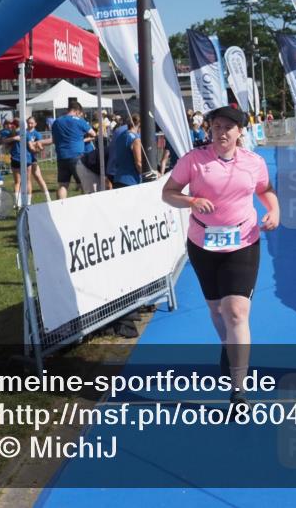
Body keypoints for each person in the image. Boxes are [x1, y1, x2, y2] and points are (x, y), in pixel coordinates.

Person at [162, 106, 280, 405]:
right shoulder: (194, 160)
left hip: (243, 242)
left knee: (237, 312)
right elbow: (168, 192)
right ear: (209, 130)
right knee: (217, 312)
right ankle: (228, 345)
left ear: (240, 131)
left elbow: (265, 189)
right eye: (216, 126)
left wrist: (274, 210)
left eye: (229, 127)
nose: (222, 132)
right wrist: (191, 199)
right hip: (202, 244)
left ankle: (238, 388)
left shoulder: (253, 162)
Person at [50, 101, 96, 200]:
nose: (80, 116)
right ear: (77, 111)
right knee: (85, 184)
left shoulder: (56, 122)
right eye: (80, 114)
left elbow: (54, 139)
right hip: (77, 156)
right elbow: (93, 134)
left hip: (62, 157)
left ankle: (60, 208)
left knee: (63, 185)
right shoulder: (79, 121)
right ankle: (85, 206)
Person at [112, 115, 143, 188]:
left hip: (118, 178)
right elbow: (138, 163)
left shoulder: (120, 136)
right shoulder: (136, 139)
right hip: (131, 181)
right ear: (139, 124)